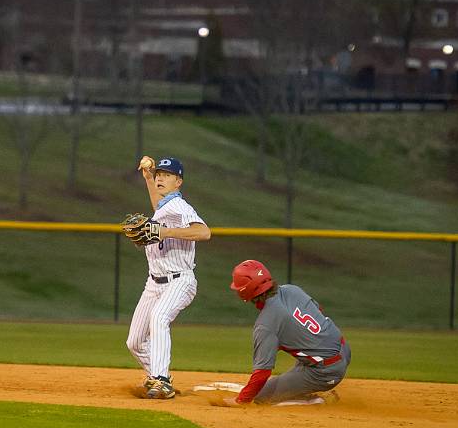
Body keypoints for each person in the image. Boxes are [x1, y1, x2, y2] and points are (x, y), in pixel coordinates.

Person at [127, 156, 211, 399]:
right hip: (154, 283)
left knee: (159, 316)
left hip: (179, 280)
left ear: (179, 182)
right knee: (135, 342)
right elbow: (158, 206)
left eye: (167, 175)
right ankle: (156, 375)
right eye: (159, 174)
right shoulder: (165, 206)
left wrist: (165, 232)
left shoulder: (181, 207)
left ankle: (162, 380)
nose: (160, 177)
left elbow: (204, 232)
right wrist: (147, 178)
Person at [225, 259, 351, 405]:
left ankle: (315, 401)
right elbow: (318, 312)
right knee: (304, 360)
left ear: (245, 291)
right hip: (344, 349)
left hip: (326, 371)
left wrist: (241, 401)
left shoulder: (266, 324)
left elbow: (262, 373)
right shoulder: (292, 289)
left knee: (261, 397)